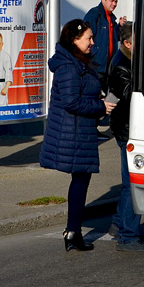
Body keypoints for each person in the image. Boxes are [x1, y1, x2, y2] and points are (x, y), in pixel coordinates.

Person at [39, 18, 115, 252]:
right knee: (80, 179)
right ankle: (73, 232)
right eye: (88, 38)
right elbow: (72, 102)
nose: (92, 42)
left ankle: (73, 231)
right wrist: (100, 107)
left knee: (82, 179)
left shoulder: (76, 61)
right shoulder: (68, 66)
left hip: (79, 129)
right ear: (74, 40)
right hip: (72, 131)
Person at [107, 21, 144, 252]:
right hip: (128, 131)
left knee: (130, 181)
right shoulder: (122, 65)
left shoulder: (131, 59)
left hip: (129, 128)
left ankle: (118, 224)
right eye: (139, 41)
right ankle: (128, 236)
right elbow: (130, 96)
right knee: (132, 183)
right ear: (127, 43)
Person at [84, 0, 121, 84]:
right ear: (103, 0)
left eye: (116, 1)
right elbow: (86, 35)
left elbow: (114, 37)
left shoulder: (112, 18)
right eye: (111, 1)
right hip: (96, 65)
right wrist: (94, 53)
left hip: (108, 65)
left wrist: (120, 26)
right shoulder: (94, 13)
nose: (114, 4)